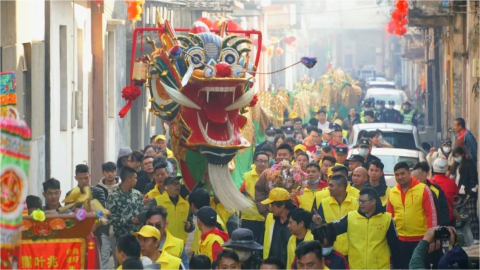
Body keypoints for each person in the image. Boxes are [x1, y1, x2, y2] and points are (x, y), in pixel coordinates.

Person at [318, 187, 399, 269]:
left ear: (373, 201)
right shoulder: (351, 217)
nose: (360, 204)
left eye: (363, 201)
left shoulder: (387, 219)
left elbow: (394, 245)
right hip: (356, 266)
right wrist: (321, 223)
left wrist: (397, 265)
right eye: (359, 201)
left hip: (380, 267)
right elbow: (333, 229)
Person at [386, 162, 437, 269]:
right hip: (400, 241)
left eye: (402, 173)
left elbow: (431, 215)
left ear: (409, 173)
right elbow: (389, 219)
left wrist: (431, 238)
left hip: (421, 240)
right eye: (397, 174)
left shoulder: (423, 189)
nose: (400, 177)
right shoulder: (392, 192)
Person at [314, 175, 359, 256]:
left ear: (341, 187)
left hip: (352, 251)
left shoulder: (356, 203)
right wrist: (319, 222)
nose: (328, 188)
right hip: (330, 251)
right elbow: (320, 228)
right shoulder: (324, 203)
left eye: (331, 185)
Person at [106, 167, 144, 251]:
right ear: (128, 179)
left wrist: (140, 218)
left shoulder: (137, 194)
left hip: (138, 238)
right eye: (135, 178)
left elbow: (142, 210)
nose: (136, 180)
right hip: (122, 238)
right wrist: (128, 220)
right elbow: (110, 218)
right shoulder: (113, 197)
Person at [146, 176, 194, 241]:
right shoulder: (157, 201)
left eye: (178, 183)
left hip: (179, 243)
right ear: (166, 186)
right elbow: (145, 213)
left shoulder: (185, 204)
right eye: (174, 184)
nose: (177, 186)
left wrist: (189, 225)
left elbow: (191, 223)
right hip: (162, 242)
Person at [255, 144, 294, 217]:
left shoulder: (296, 174)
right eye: (279, 154)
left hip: (291, 216)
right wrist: (265, 211)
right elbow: (259, 192)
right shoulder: (267, 173)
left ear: (291, 156)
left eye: (284, 155)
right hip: (271, 214)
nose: (281, 157)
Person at [261, 188, 296, 265]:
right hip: (270, 264)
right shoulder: (270, 218)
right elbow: (263, 239)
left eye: (273, 205)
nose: (271, 208)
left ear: (282, 205)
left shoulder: (296, 220)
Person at [97, 162, 121, 270]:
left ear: (116, 172)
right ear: (103, 173)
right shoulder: (98, 189)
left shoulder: (121, 187)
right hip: (103, 228)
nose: (110, 174)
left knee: (119, 258)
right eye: (107, 172)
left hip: (119, 228)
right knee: (104, 257)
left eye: (112, 171)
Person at [413, 161, 453, 226]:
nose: (418, 175)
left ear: (427, 173)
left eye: (421, 172)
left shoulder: (435, 190)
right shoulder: (409, 190)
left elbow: (443, 210)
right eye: (416, 172)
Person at [241, 152, 269, 243]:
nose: (262, 164)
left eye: (265, 161)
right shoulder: (246, 176)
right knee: (246, 243)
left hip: (265, 216)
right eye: (260, 161)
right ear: (255, 162)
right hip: (248, 216)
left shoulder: (272, 176)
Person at [452, 147, 479, 243]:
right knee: (464, 215)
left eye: (457, 156)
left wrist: (472, 190)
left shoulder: (468, 164)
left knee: (472, 215)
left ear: (462, 154)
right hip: (462, 194)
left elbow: (473, 179)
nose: (456, 158)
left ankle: (476, 237)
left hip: (469, 193)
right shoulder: (459, 165)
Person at [429, 159, 459, 225]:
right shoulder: (451, 182)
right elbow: (456, 194)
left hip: (435, 217)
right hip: (449, 216)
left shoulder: (430, 182)